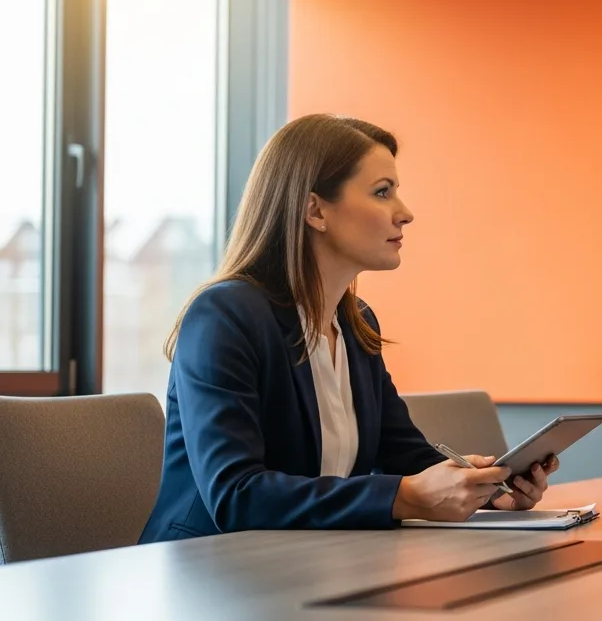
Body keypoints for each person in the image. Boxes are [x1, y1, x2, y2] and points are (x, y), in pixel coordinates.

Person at [141, 114, 556, 543]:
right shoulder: (224, 316)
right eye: (382, 192)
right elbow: (235, 495)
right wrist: (405, 497)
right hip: (206, 574)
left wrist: (486, 492)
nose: (405, 213)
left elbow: (404, 457)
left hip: (310, 563)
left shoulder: (356, 322)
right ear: (316, 210)